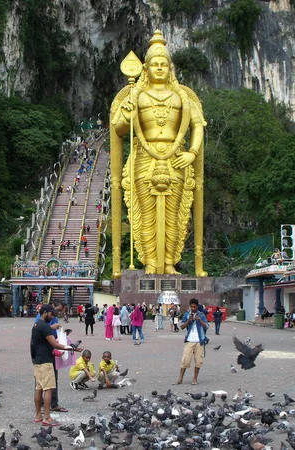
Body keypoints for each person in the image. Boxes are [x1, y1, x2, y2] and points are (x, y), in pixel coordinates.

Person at [111, 30, 207, 277]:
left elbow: (198, 125)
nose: (160, 68)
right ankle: (151, 263)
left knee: (175, 215)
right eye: (154, 64)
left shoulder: (182, 97)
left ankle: (169, 264)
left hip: (177, 159)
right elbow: (119, 128)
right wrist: (128, 113)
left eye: (164, 64)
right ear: (145, 68)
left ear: (171, 68)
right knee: (146, 214)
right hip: (145, 157)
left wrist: (193, 153)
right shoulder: (136, 94)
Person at [31, 304, 78, 426]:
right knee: (48, 389)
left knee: (39, 388)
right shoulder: (44, 326)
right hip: (45, 360)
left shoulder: (36, 325)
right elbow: (56, 344)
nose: (52, 317)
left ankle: (38, 415)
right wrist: (71, 348)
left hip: (37, 360)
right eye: (51, 315)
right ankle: (47, 417)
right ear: (45, 312)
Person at [33, 302, 68, 413]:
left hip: (47, 352)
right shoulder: (42, 321)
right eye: (57, 310)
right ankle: (46, 413)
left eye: (60, 311)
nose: (57, 313)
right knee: (46, 384)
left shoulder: (51, 318)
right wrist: (69, 348)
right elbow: (41, 331)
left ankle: (49, 406)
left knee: (48, 382)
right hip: (45, 354)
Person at [174, 298, 209, 385]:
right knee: (185, 360)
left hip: (199, 341)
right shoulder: (186, 314)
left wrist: (199, 319)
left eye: (195, 307)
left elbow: (206, 326)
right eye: (192, 306)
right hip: (189, 340)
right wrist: (189, 320)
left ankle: (195, 378)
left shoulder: (201, 315)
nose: (193, 308)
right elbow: (182, 327)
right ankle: (180, 378)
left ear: (197, 306)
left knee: (198, 361)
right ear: (189, 306)